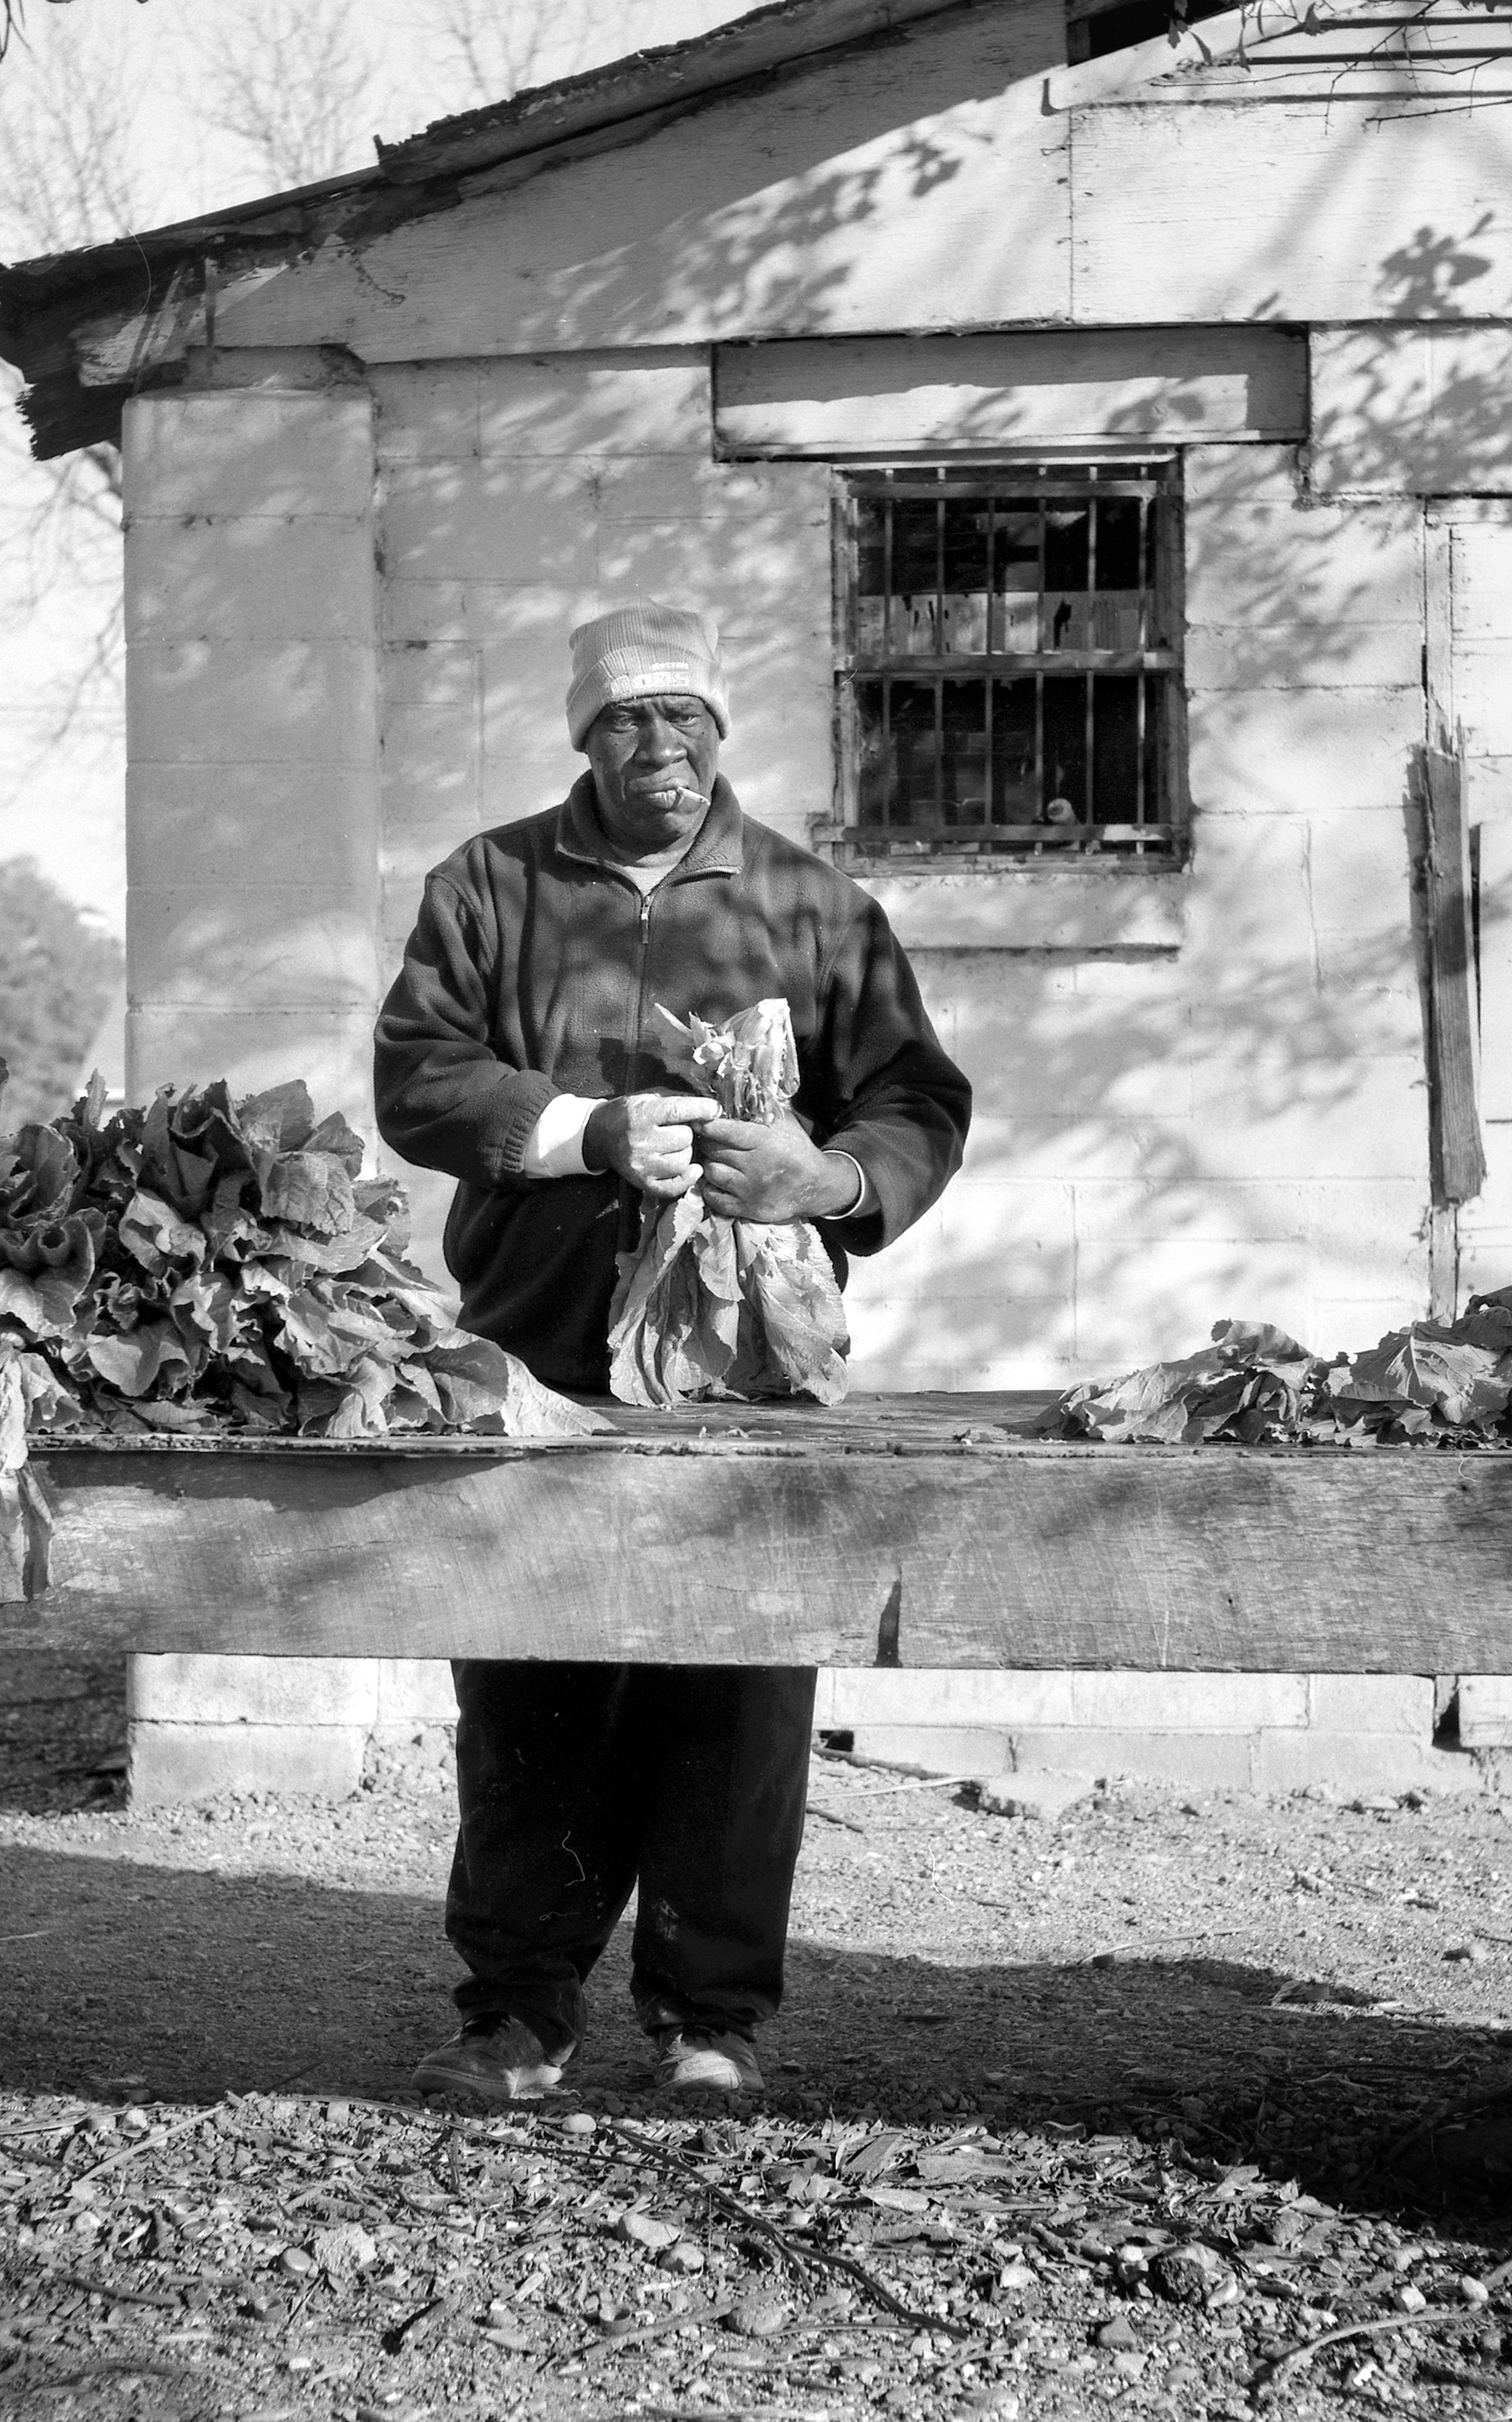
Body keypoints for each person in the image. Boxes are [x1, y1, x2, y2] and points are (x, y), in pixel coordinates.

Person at [373, 600, 971, 2100]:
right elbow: (416, 1077)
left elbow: (917, 1099)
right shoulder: (491, 886)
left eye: (690, 717)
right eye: (631, 718)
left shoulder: (808, 904)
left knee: (739, 1679)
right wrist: (581, 1131)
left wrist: (822, 1181)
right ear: (585, 736)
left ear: (723, 731)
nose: (666, 746)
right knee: (532, 1685)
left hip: (751, 1369)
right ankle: (519, 2009)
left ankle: (713, 2021)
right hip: (542, 1355)